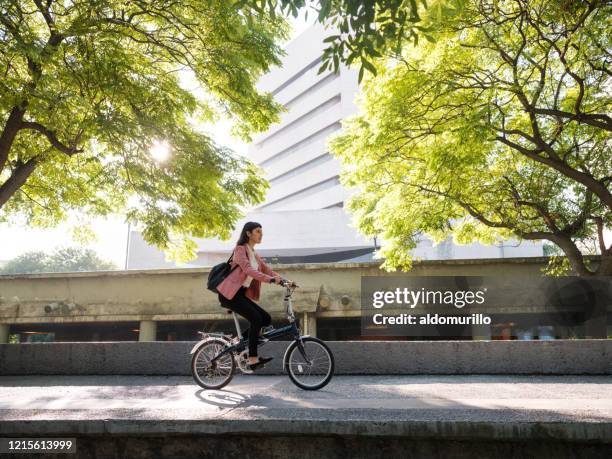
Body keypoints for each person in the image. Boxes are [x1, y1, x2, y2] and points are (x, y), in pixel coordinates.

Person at [216, 221, 296, 370]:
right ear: (248, 233)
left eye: (261, 231)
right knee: (256, 319)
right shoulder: (240, 250)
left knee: (265, 319)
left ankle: (237, 343)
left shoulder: (254, 254)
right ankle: (252, 359)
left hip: (239, 295)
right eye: (258, 231)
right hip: (229, 295)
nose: (261, 234)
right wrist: (270, 280)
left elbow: (267, 270)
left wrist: (284, 281)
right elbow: (248, 270)